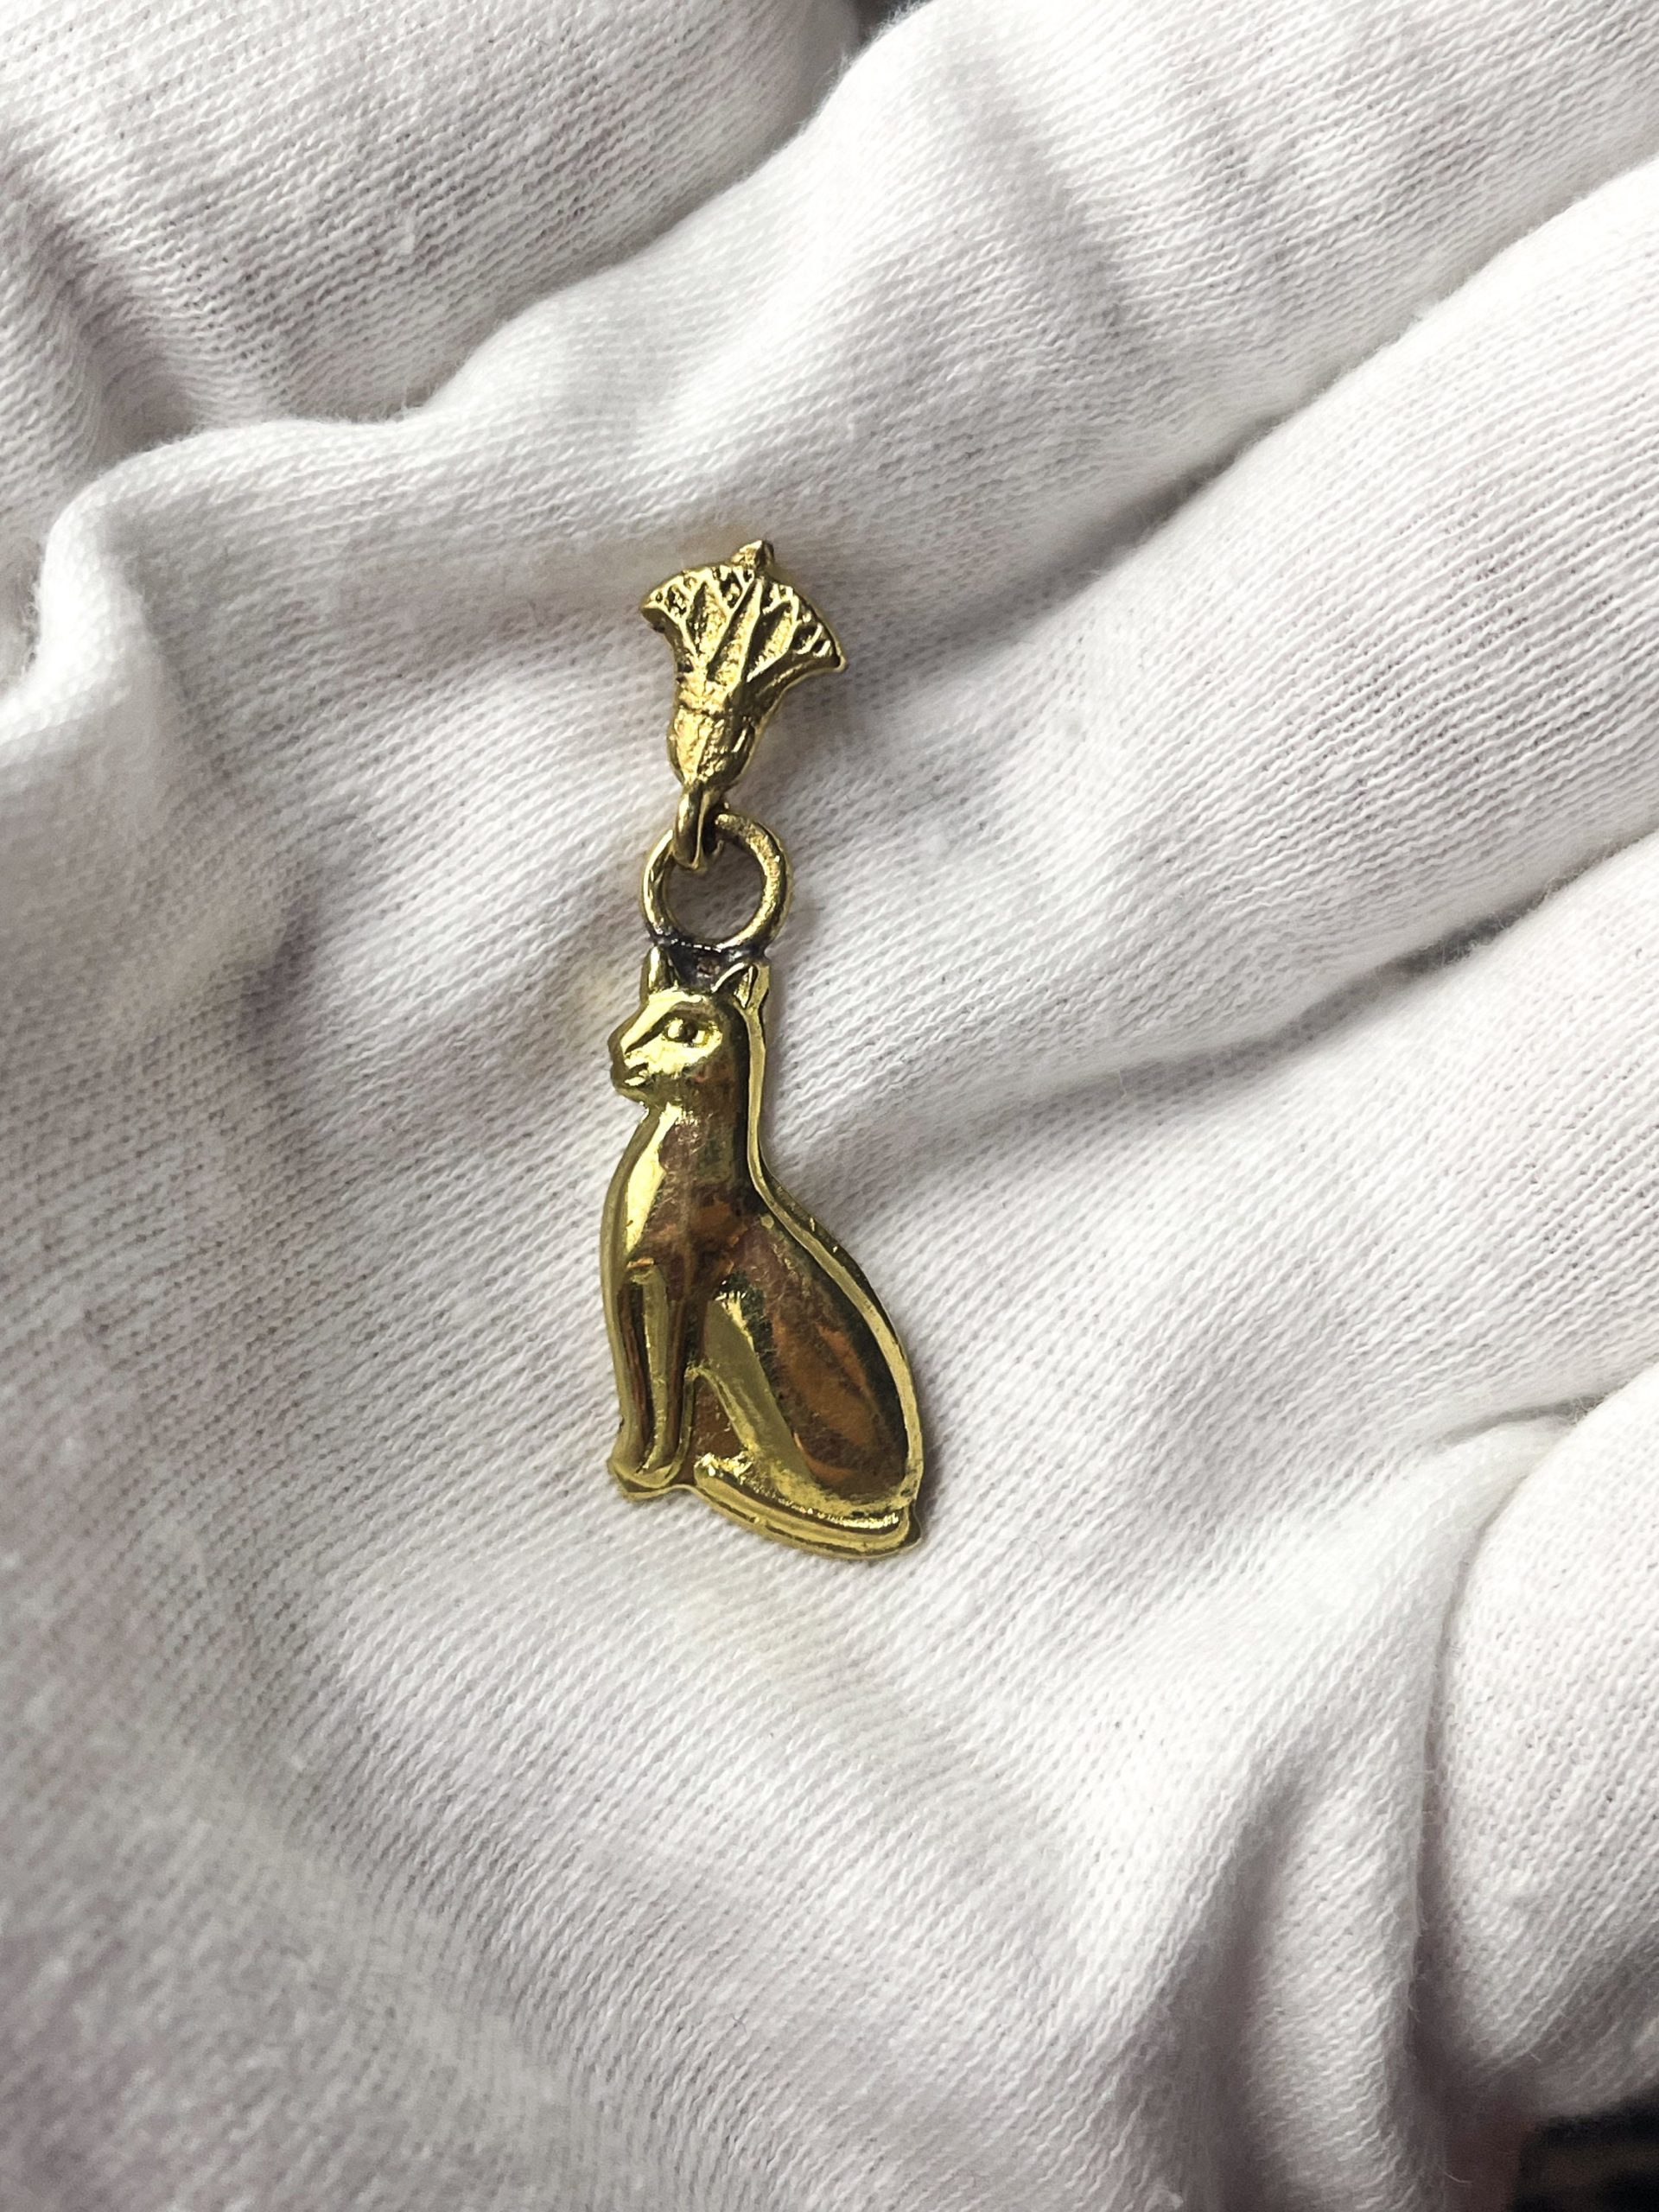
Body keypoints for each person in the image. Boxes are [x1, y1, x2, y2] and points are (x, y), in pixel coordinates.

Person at [4, 3, 1659, 2204]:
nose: (648, 1046)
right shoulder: (682, 1073)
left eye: (675, 1038)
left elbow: (682, 1153)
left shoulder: (703, 1080)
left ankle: (694, 1428)